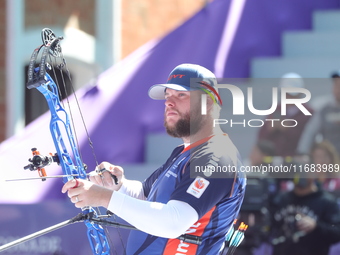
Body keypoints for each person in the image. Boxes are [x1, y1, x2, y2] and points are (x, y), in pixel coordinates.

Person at [61, 63, 247, 254]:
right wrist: (117, 185)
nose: (168, 102)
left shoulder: (217, 157)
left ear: (207, 103)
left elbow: (173, 222)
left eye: (180, 95)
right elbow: (146, 195)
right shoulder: (184, 153)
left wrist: (102, 196)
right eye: (167, 96)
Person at [269, 164, 340, 255]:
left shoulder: (327, 202)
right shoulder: (281, 199)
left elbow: (337, 233)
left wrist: (316, 226)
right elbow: (268, 228)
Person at [257, 73, 313, 157]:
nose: (288, 96)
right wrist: (270, 128)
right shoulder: (275, 109)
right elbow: (261, 137)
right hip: (273, 159)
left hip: (296, 159)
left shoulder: (308, 113)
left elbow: (308, 139)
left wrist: (288, 129)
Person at [297, 71, 340, 155]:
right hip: (330, 159)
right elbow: (310, 131)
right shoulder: (324, 109)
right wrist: (302, 152)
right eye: (336, 85)